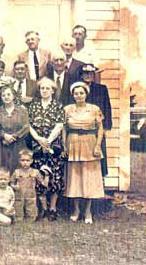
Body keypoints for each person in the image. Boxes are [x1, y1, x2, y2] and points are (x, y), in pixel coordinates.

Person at [64, 81, 104, 224]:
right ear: (72, 95)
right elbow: (64, 128)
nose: (79, 96)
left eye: (81, 93)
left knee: (89, 178)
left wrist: (98, 146)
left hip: (89, 143)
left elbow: (100, 128)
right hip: (73, 143)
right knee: (74, 178)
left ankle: (88, 211)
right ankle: (76, 210)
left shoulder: (94, 109)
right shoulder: (67, 109)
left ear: (86, 94)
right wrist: (64, 146)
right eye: (76, 93)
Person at [26, 77, 66, 220]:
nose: (44, 91)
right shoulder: (33, 105)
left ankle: (53, 208)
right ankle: (42, 208)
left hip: (53, 145)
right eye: (42, 88)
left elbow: (60, 125)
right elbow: (28, 124)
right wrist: (38, 139)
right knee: (39, 174)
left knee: (55, 176)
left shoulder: (58, 106)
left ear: (53, 90)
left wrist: (48, 141)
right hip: (37, 145)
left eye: (47, 88)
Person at [0, 85, 29, 184]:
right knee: (1, 170)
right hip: (1, 146)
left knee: (17, 170)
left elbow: (26, 127)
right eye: (3, 95)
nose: (6, 97)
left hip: (17, 145)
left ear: (13, 96)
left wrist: (13, 137)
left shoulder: (22, 110)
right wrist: (3, 135)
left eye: (8, 94)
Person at [80, 63, 112, 177]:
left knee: (99, 153)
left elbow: (107, 107)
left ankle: (101, 180)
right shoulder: (78, 89)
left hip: (98, 127)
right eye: (85, 73)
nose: (88, 75)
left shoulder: (101, 89)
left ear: (93, 75)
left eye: (90, 73)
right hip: (83, 128)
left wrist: (106, 128)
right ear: (81, 75)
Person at [10, 148, 48, 223]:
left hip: (31, 196)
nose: (25, 162)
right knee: (18, 217)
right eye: (23, 160)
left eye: (27, 160)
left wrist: (47, 175)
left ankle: (31, 219)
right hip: (19, 196)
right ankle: (19, 218)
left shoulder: (35, 172)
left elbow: (44, 184)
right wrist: (14, 186)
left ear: (31, 161)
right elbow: (11, 183)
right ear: (19, 161)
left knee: (31, 217)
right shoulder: (16, 172)